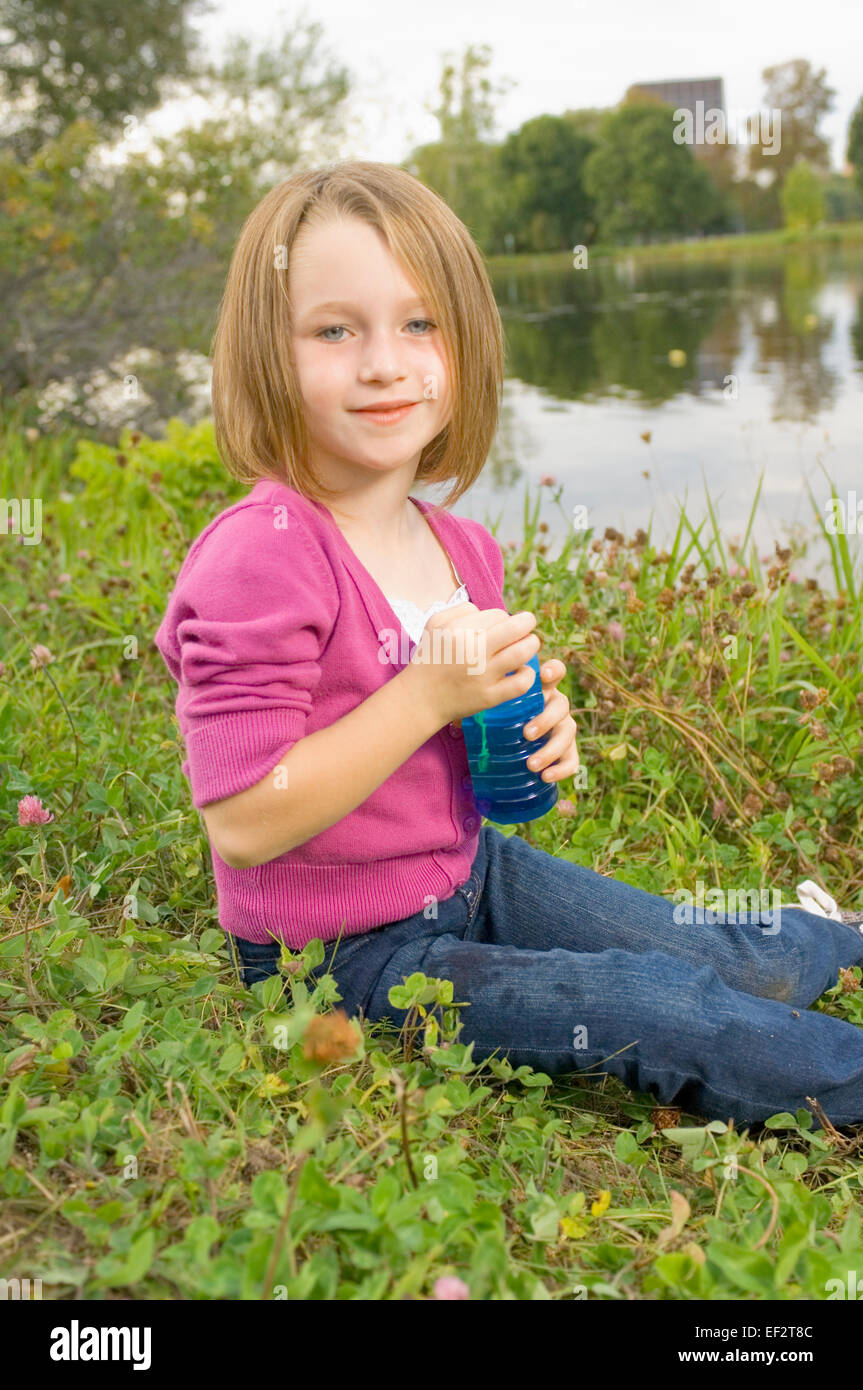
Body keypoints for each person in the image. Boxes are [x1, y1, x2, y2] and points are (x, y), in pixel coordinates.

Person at [154, 160, 863, 1133]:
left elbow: (454, 763)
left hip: (468, 867)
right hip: (340, 955)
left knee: (738, 956)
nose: (383, 362)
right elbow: (241, 818)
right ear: (264, 353)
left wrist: (532, 742)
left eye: (419, 323)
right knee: (663, 1007)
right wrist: (422, 697)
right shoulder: (260, 556)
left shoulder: (460, 547)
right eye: (333, 329)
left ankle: (830, 937)